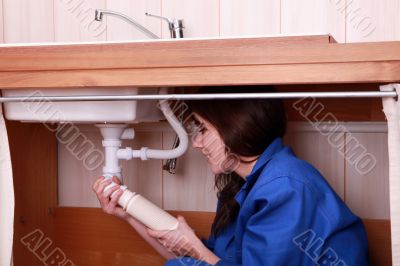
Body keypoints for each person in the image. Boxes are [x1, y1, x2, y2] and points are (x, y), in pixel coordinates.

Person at [93, 85, 369, 265]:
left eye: (202, 130)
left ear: (234, 128)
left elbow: (201, 256)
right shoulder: (242, 188)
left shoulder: (285, 187)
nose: (198, 143)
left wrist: (193, 246)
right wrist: (128, 213)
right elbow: (208, 260)